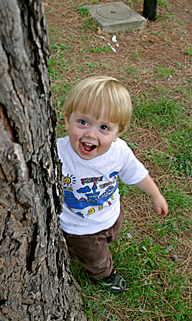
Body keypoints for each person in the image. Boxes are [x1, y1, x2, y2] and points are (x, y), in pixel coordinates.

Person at [57, 76, 168, 292]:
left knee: (112, 234)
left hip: (111, 211)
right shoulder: (57, 153)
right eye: (83, 122)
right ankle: (104, 275)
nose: (90, 133)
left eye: (104, 127)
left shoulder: (120, 152)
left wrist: (156, 195)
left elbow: (137, 174)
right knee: (96, 258)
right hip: (80, 226)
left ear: (119, 132)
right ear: (67, 120)